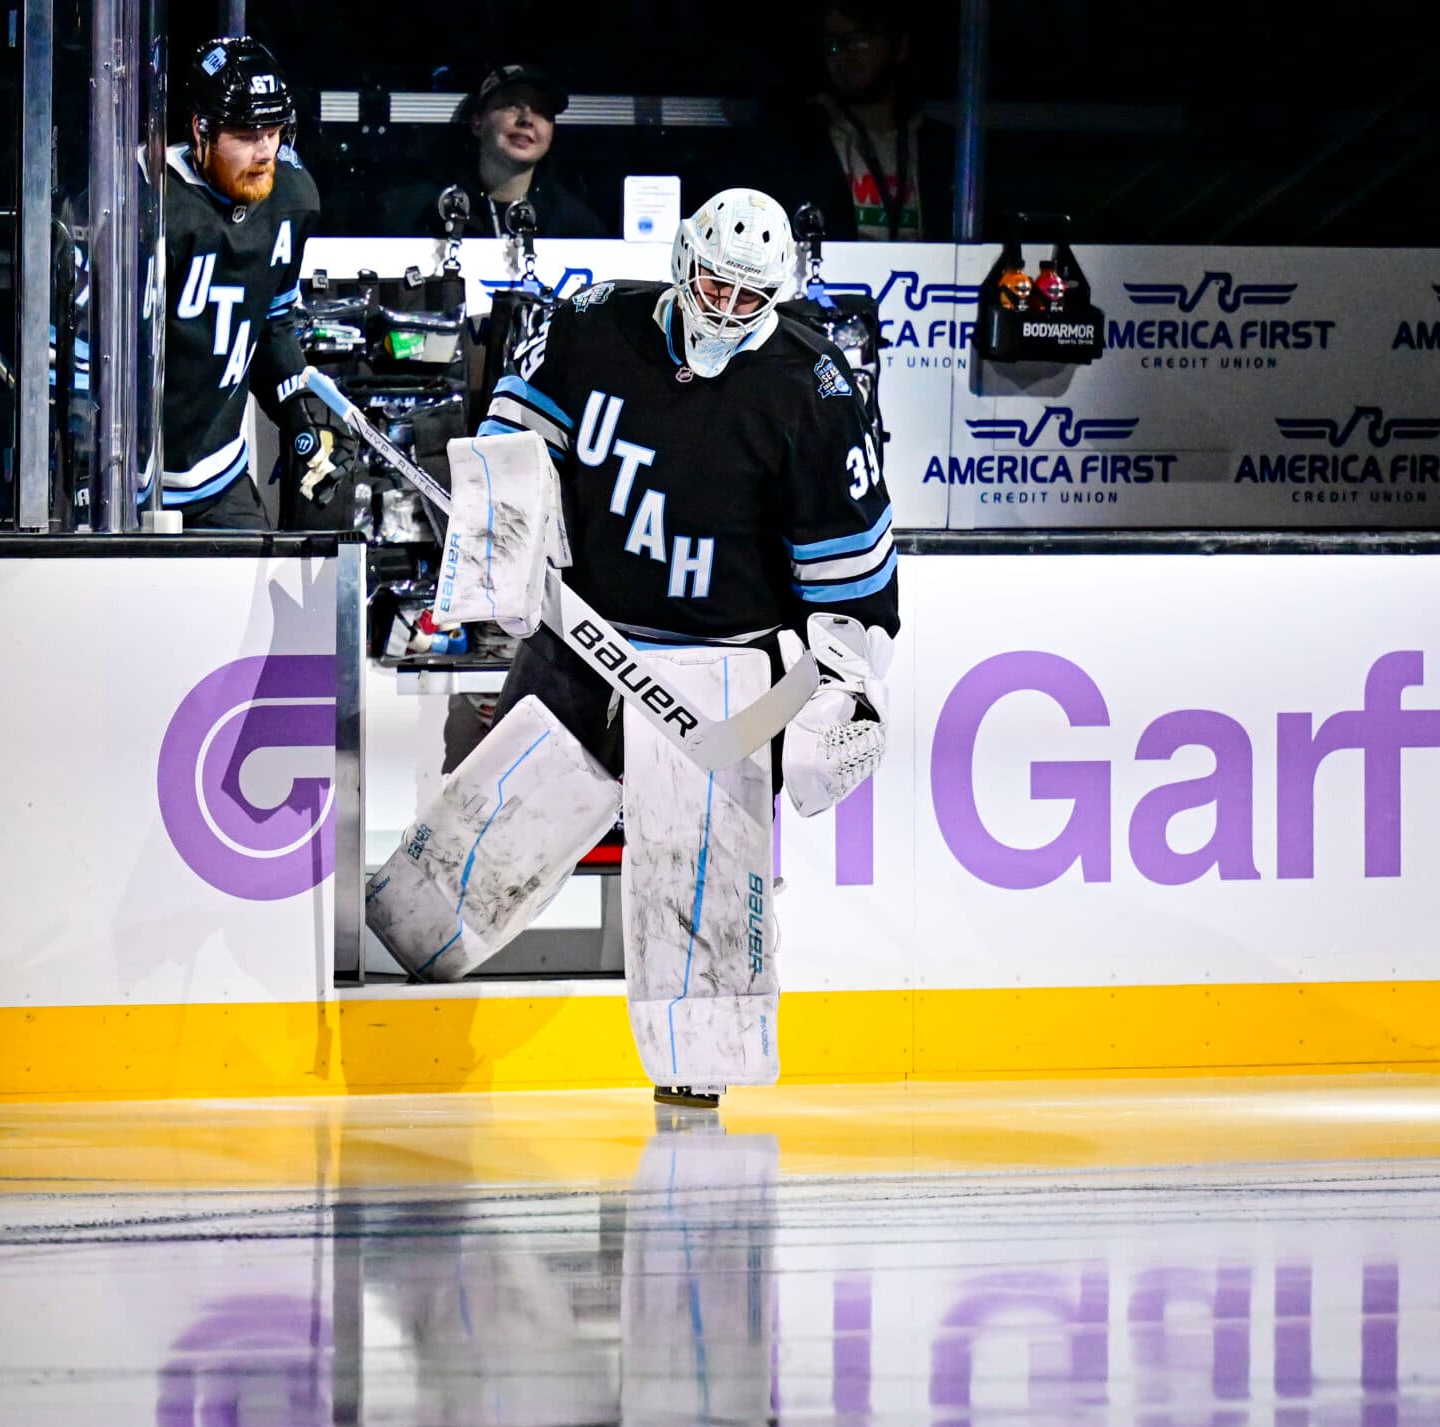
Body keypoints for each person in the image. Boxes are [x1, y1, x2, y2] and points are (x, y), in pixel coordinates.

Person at [364, 189, 898, 1108]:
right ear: (684, 260)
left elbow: (853, 582)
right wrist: (504, 540)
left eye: (750, 297)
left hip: (721, 675)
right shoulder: (591, 323)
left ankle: (699, 1080)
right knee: (462, 860)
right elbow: (512, 442)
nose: (727, 310)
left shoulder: (817, 391)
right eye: (715, 286)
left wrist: (842, 695)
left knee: (704, 896)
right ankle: (387, 1013)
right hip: (583, 642)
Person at [159, 36, 342, 527]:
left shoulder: (292, 198)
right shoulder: (147, 205)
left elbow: (273, 323)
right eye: (245, 134)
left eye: (273, 131)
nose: (264, 151)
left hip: (219, 477)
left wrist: (299, 414)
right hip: (127, 487)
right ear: (200, 131)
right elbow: (85, 363)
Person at [751, 2, 955, 243]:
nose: (844, 55)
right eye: (833, 45)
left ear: (900, 47)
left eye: (858, 41)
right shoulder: (799, 142)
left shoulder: (941, 147)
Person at [378, 64, 607, 239]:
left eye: (541, 110)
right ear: (477, 123)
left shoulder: (574, 222)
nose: (527, 119)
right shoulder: (420, 211)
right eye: (512, 105)